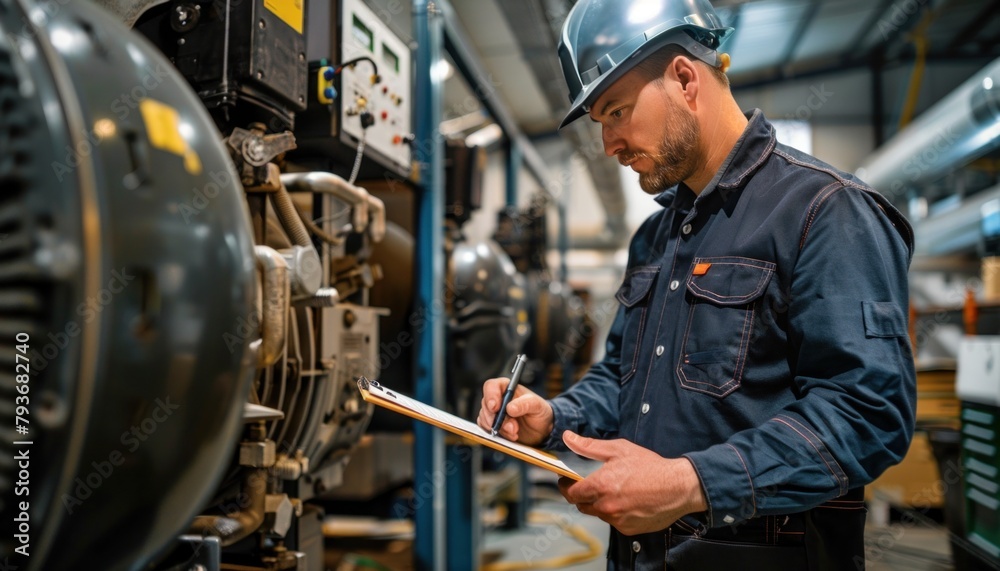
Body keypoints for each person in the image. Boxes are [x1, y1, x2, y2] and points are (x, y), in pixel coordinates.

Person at [477, 0, 916, 568]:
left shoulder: (826, 212)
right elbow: (622, 379)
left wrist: (690, 484)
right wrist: (554, 417)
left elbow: (868, 413)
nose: (609, 144)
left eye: (616, 111)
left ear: (685, 78)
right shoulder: (653, 240)